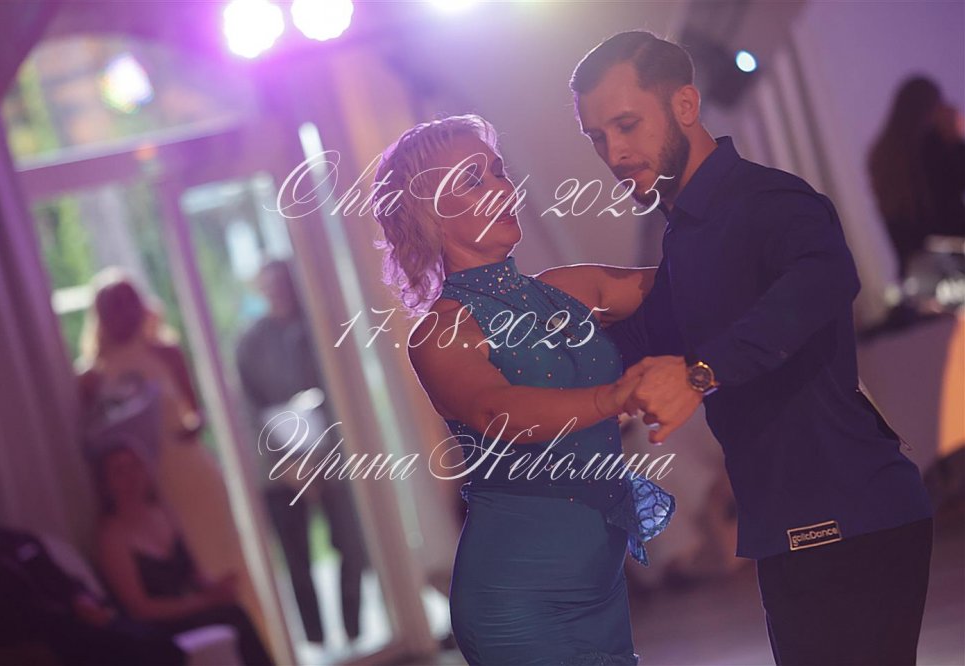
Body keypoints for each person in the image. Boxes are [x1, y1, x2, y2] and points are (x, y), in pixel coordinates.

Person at [570, 31, 934, 665]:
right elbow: (648, 340)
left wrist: (699, 374)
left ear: (685, 105)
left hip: (850, 516)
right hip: (790, 528)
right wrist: (525, 328)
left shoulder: (767, 200)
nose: (614, 153)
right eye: (597, 137)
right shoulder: (685, 234)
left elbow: (824, 281)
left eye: (626, 125)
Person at [371, 114, 675, 664]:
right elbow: (498, 411)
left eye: (497, 171)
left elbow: (686, 279)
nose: (500, 187)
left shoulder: (568, 289)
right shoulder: (442, 331)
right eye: (472, 179)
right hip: (517, 602)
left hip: (601, 590)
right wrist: (612, 398)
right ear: (428, 213)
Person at [75, 268, 266, 636]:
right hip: (146, 489)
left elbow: (194, 410)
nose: (124, 313)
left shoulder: (165, 352)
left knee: (222, 561)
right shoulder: (90, 377)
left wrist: (191, 427)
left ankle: (254, 642)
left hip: (189, 473)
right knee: (182, 571)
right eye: (115, 306)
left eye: (130, 303)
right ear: (100, 314)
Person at [236, 259, 368, 645]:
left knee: (351, 542)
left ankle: (354, 631)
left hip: (333, 457)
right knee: (297, 559)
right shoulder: (250, 343)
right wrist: (286, 463)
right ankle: (316, 642)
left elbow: (342, 393)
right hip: (280, 469)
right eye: (270, 286)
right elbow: (248, 411)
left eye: (283, 283)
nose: (278, 292)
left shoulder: (321, 330)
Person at [0, 461, 186, 666]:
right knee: (132, 650)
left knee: (159, 643)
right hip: (33, 637)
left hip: (75, 619)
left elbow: (63, 580)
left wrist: (82, 598)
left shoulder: (20, 540)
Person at [92, 444, 275, 666]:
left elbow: (194, 574)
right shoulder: (112, 538)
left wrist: (216, 587)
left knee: (235, 611)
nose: (131, 476)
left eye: (134, 466)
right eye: (119, 471)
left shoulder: (163, 513)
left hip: (191, 608)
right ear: (106, 484)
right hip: (160, 627)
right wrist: (202, 602)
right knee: (231, 616)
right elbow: (140, 609)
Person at [868, 76, 965, 280]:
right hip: (952, 265)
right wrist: (956, 138)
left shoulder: (884, 156)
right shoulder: (933, 147)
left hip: (917, 272)